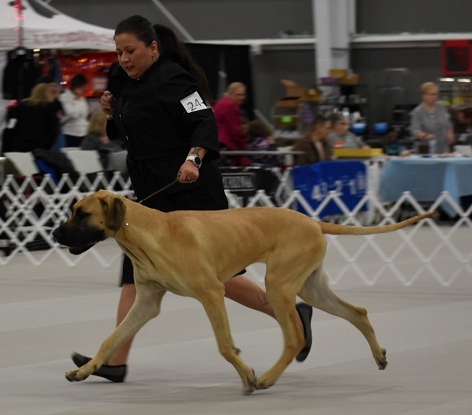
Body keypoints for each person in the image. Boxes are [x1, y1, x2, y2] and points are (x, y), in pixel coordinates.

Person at [70, 14, 313, 383]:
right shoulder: (130, 86)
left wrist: (194, 159)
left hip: (191, 188)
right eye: (119, 52)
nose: (123, 58)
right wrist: (111, 113)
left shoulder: (175, 80)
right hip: (151, 195)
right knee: (136, 274)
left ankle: (293, 314)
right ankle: (115, 360)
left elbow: (204, 122)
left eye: (130, 50)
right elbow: (129, 135)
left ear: (153, 48)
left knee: (222, 275)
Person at [8, 83, 59, 152]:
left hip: (20, 142)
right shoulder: (49, 107)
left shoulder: (22, 104)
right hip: (39, 145)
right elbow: (53, 130)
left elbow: (13, 124)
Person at [213, 82, 252, 166]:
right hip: (229, 146)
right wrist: (244, 147)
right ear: (230, 93)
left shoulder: (220, 103)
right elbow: (235, 130)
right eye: (238, 95)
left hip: (219, 144)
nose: (242, 98)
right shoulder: (230, 105)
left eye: (243, 95)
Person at [410, 82, 454, 154]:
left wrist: (450, 133)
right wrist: (426, 136)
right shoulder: (417, 112)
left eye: (436, 94)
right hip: (426, 150)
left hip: (443, 149)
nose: (435, 97)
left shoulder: (441, 107)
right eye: (432, 94)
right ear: (424, 95)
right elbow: (415, 131)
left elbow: (448, 123)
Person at [59, 73, 90, 148]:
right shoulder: (64, 97)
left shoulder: (81, 97)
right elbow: (71, 113)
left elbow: (85, 112)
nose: (83, 89)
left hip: (83, 131)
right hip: (70, 132)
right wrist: (76, 102)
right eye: (81, 87)